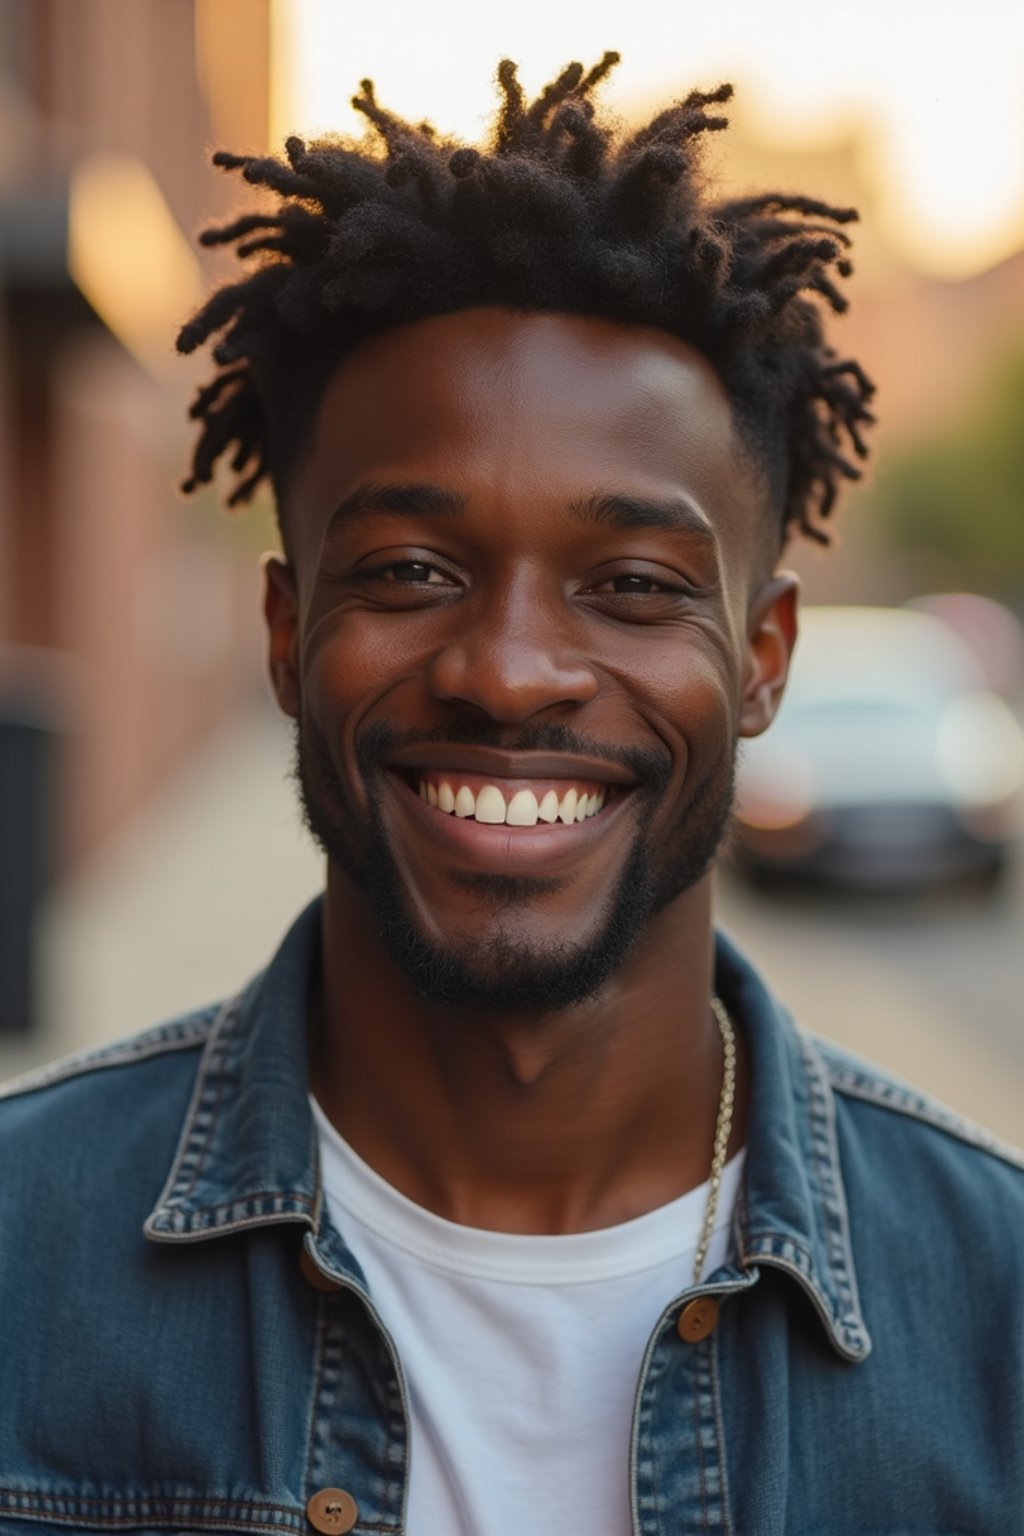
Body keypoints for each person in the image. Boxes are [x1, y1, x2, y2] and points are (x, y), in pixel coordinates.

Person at [1, 56, 1022, 1536]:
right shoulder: (23, 1258)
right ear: (288, 636)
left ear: (762, 660)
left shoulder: (994, 1314)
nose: (511, 670)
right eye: (413, 570)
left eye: (632, 586)